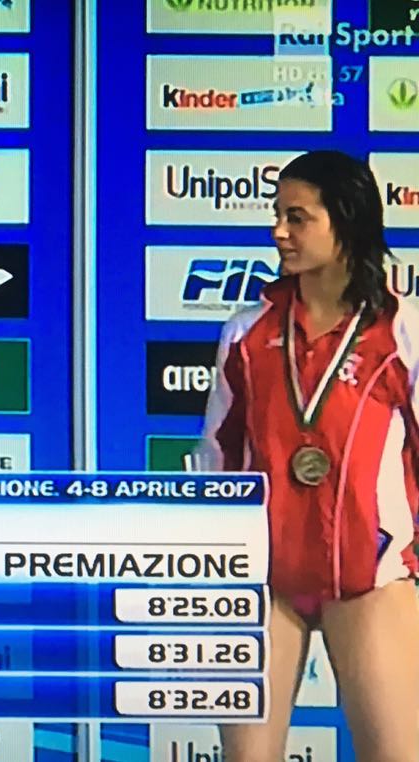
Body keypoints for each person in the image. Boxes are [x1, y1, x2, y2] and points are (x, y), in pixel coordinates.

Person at [198, 150, 419, 761]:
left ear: (346, 220)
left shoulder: (403, 331)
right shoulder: (246, 333)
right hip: (262, 582)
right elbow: (217, 458)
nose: (279, 232)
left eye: (297, 218)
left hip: (369, 581)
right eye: (277, 215)